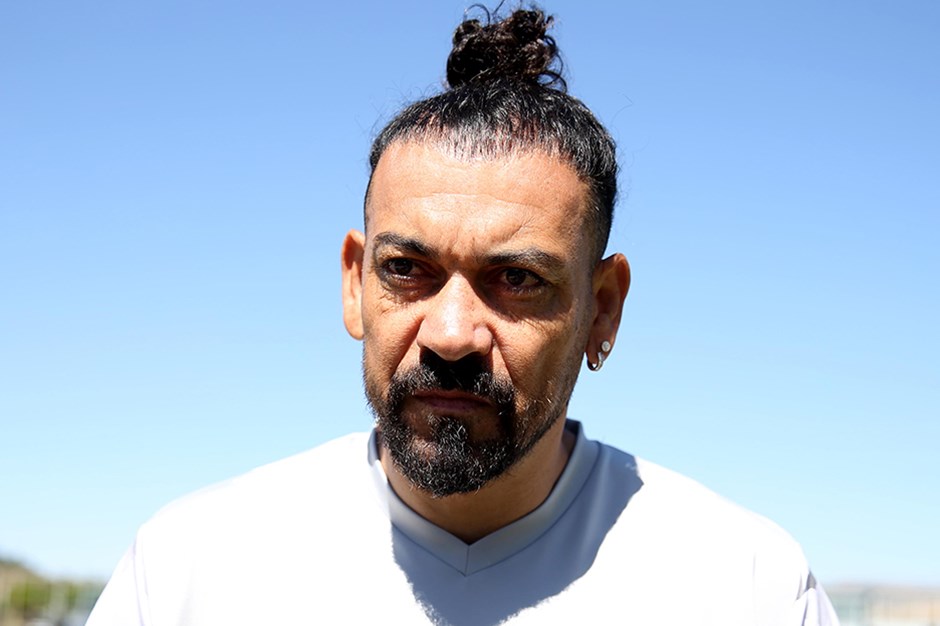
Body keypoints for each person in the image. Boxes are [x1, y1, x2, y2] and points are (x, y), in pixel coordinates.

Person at [87, 7, 839, 625]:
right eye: (406, 270)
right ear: (354, 283)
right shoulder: (189, 573)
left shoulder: (746, 589)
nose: (450, 336)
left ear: (602, 309)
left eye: (516, 280)